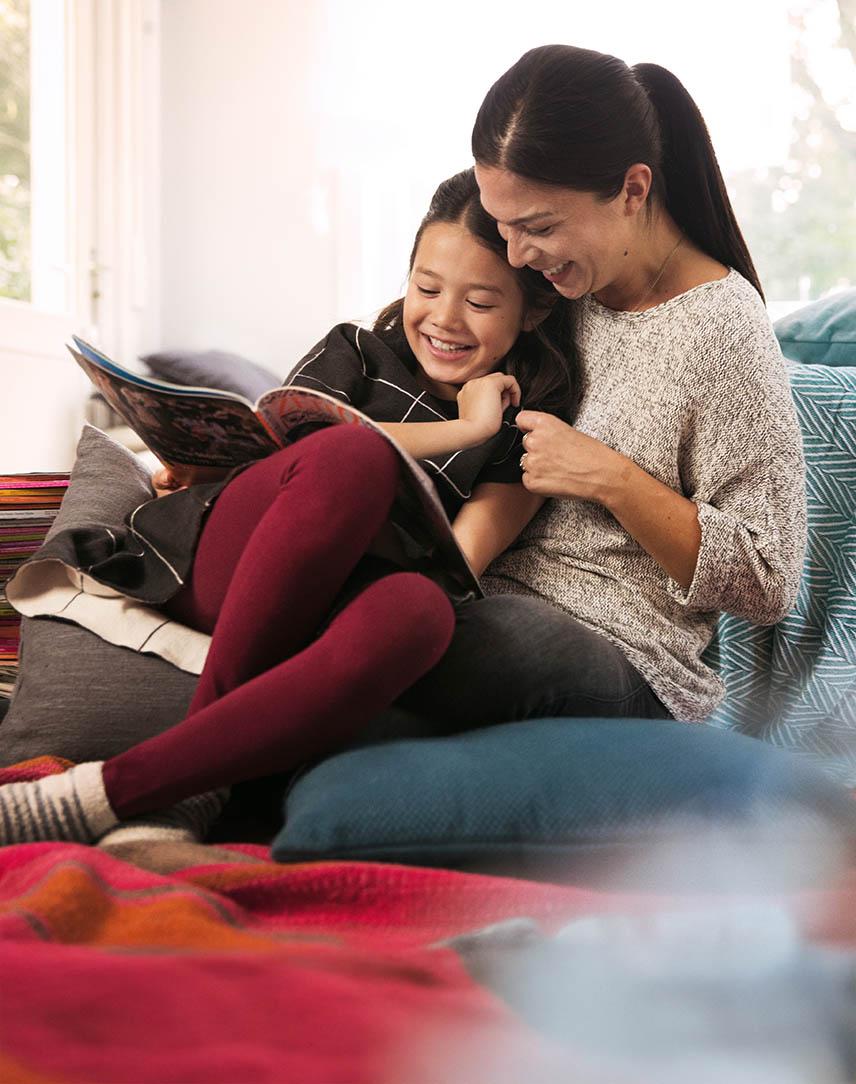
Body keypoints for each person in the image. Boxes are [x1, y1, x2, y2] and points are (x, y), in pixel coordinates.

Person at [0, 168, 578, 845]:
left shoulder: (523, 433)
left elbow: (461, 562)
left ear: (532, 311)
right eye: (426, 287)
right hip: (230, 564)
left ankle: (143, 792)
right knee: (354, 460)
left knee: (422, 613)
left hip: (334, 607)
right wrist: (462, 430)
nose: (444, 318)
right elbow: (303, 460)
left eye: (480, 301)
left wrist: (489, 435)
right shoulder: (353, 354)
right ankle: (191, 782)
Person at [392, 44, 806, 736]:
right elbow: (408, 353)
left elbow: (768, 579)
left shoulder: (723, 328)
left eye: (539, 227)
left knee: (422, 642)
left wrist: (612, 478)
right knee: (353, 603)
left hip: (622, 658)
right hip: (483, 593)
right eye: (503, 224)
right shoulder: (553, 285)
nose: (517, 256)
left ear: (633, 191)